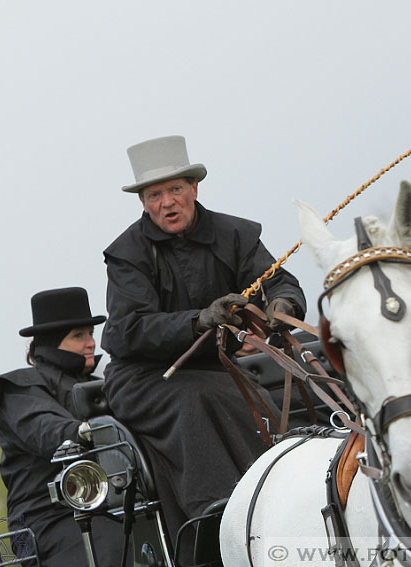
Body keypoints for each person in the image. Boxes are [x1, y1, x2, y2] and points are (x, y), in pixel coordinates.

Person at [100, 135, 307, 556]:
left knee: (267, 401)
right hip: (143, 378)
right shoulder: (126, 254)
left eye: (175, 189)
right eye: (154, 194)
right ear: (143, 201)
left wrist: (282, 305)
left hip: (218, 370)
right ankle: (213, 525)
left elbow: (279, 281)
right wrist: (198, 321)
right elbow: (128, 331)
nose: (166, 202)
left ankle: (285, 506)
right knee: (197, 397)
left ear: (194, 188)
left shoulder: (237, 234)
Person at [0, 287, 126, 567]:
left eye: (90, 334)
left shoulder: (106, 384)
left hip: (108, 508)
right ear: (50, 342)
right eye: (78, 335)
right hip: (43, 519)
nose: (91, 343)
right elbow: (47, 432)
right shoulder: (18, 389)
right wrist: (91, 429)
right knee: (115, 543)